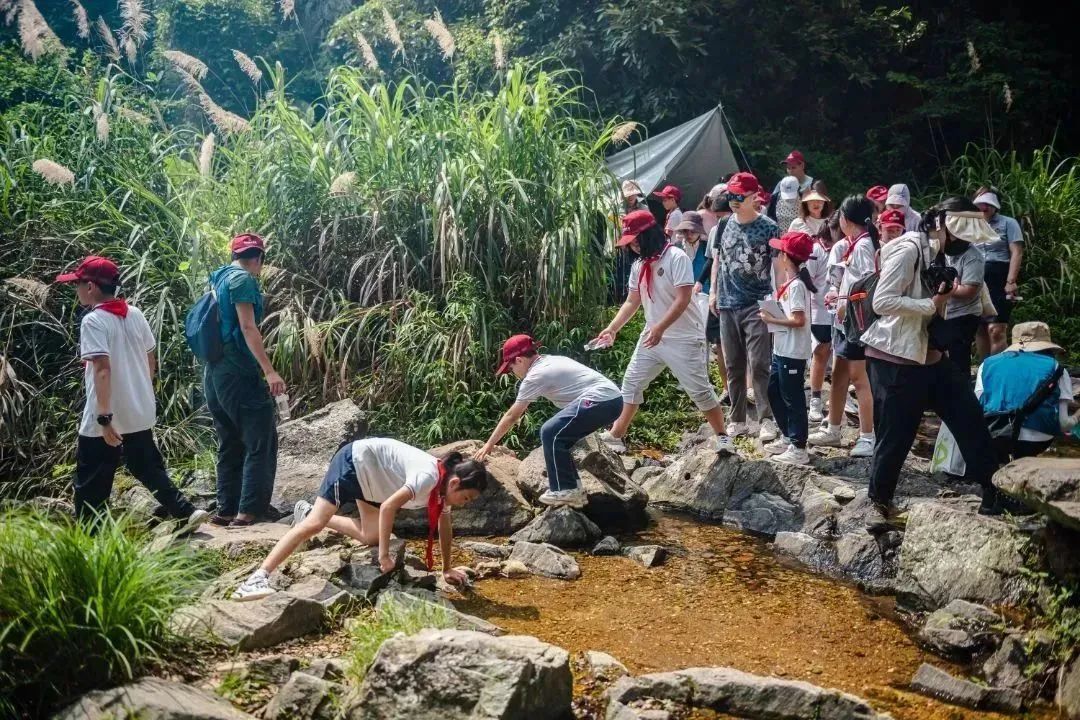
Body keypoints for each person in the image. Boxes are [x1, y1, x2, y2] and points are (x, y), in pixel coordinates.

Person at [860, 197, 1011, 529]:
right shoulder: (908, 249)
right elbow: (882, 301)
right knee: (895, 437)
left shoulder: (939, 254)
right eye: (963, 231)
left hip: (930, 355)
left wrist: (940, 305)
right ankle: (877, 504)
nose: (967, 240)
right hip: (895, 359)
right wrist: (932, 304)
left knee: (969, 418)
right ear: (942, 223)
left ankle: (994, 491)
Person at [56, 256, 208, 531]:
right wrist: (142, 392)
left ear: (90, 287)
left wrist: (103, 417)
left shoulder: (93, 321)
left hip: (106, 417)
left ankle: (90, 545)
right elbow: (151, 358)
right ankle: (186, 512)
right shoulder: (135, 314)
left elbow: (102, 369)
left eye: (77, 283)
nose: (76, 289)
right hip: (138, 411)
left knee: (90, 484)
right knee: (146, 466)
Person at [231, 439, 491, 600]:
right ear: (455, 483)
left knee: (371, 536)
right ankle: (256, 578)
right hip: (355, 464)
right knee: (315, 525)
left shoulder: (443, 490)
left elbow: (444, 526)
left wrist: (446, 568)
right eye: (466, 498)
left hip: (375, 485)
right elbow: (389, 507)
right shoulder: (428, 477)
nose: (464, 504)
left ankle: (308, 511)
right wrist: (384, 557)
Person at [594, 210, 735, 455]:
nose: (634, 247)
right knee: (631, 383)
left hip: (682, 339)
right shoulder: (639, 265)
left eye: (636, 241)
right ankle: (616, 435)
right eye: (631, 243)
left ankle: (723, 436)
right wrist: (612, 328)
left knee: (699, 391)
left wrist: (661, 326)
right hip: (652, 337)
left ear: (649, 235)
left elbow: (682, 299)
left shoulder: (676, 257)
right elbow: (632, 300)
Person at [477, 335, 622, 508]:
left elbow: (512, 416)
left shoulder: (536, 375)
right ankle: (575, 490)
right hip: (612, 400)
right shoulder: (550, 360)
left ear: (519, 360)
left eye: (510, 368)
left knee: (550, 432)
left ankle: (566, 489)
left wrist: (489, 444)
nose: (512, 373)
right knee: (561, 437)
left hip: (601, 400)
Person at [204, 233, 286, 527]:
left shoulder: (217, 278)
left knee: (229, 440)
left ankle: (226, 509)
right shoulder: (243, 280)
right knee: (260, 438)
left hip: (213, 374)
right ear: (258, 258)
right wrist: (269, 371)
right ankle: (249, 511)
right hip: (238, 371)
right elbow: (248, 328)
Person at [710, 172, 781, 441]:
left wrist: (780, 299)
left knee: (760, 362)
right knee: (733, 364)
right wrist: (713, 292)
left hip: (757, 302)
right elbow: (718, 261)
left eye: (740, 197)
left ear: (754, 198)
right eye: (731, 196)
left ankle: (766, 418)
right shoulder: (723, 225)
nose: (734, 201)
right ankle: (737, 418)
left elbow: (778, 267)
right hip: (728, 303)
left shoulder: (770, 227)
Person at [809, 196, 877, 458]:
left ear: (846, 219)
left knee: (859, 378)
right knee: (838, 374)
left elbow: (867, 286)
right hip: (842, 319)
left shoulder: (863, 247)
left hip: (855, 322)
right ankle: (834, 428)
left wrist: (843, 301)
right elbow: (847, 281)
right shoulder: (850, 244)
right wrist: (836, 295)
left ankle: (867, 436)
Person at [975, 322, 1078, 464]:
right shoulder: (1056, 368)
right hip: (1036, 442)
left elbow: (978, 408)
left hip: (995, 435)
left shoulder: (986, 364)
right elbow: (1064, 424)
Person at [760, 231, 817, 465]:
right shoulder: (790, 283)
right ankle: (787, 436)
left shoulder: (796, 287)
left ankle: (799, 446)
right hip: (781, 349)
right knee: (774, 390)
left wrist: (771, 319)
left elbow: (798, 320)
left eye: (780, 252)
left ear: (786, 256)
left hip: (792, 352)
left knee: (793, 398)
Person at [972, 187, 1024, 357]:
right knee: (980, 328)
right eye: (981, 204)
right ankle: (984, 372)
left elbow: (1016, 251)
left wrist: (1011, 281)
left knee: (996, 329)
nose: (984, 208)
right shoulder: (971, 224)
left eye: (988, 204)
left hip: (999, 276)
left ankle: (999, 371)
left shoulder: (1008, 223)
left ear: (996, 205)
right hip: (975, 276)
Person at [937, 207, 988, 373]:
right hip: (944, 311)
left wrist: (946, 289)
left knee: (959, 360)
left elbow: (969, 290)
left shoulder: (973, 256)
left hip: (964, 314)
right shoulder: (942, 252)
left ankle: (962, 392)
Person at [806, 212, 840, 423]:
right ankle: (815, 399)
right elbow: (805, 278)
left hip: (840, 311)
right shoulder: (816, 250)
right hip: (819, 311)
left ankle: (838, 398)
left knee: (839, 356)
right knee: (821, 353)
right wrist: (820, 294)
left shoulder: (844, 248)